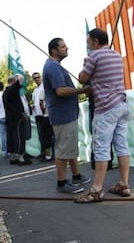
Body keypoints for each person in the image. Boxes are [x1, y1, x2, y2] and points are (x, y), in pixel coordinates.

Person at [75, 28, 131, 203]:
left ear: (95, 42)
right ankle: (124, 184)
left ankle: (96, 189)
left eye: (88, 42)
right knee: (122, 145)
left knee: (101, 148)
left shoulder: (94, 57)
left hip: (106, 109)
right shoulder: (116, 55)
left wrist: (86, 63)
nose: (88, 45)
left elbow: (82, 79)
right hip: (122, 105)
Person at [42, 38, 91, 193]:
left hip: (67, 114)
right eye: (63, 46)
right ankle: (62, 182)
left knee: (69, 147)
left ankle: (76, 176)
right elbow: (61, 91)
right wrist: (83, 91)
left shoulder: (55, 66)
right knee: (63, 149)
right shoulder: (52, 67)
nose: (67, 48)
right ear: (54, 50)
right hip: (62, 115)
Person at [3, 74, 32, 166]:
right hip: (17, 118)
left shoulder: (6, 92)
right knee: (19, 136)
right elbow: (21, 78)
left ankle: (12, 157)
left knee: (11, 137)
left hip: (10, 118)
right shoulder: (12, 90)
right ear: (13, 82)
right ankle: (20, 158)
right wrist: (22, 114)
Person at [32, 72, 53, 162]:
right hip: (37, 114)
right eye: (35, 78)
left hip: (45, 115)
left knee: (48, 135)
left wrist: (44, 110)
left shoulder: (44, 86)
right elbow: (35, 101)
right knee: (41, 135)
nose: (37, 79)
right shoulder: (35, 90)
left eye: (38, 77)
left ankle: (50, 154)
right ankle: (44, 152)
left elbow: (42, 102)